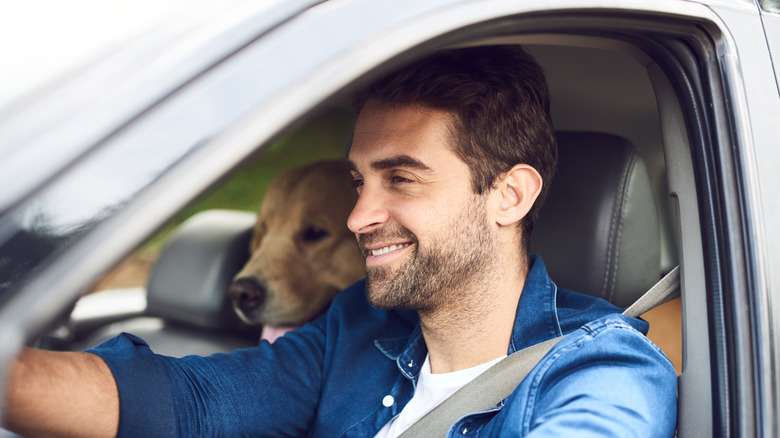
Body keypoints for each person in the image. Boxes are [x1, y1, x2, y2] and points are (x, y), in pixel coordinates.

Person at [3, 45, 677, 437]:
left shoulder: (601, 371)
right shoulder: (356, 326)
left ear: (510, 196)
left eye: (401, 179)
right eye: (359, 181)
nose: (360, 215)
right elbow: (188, 402)